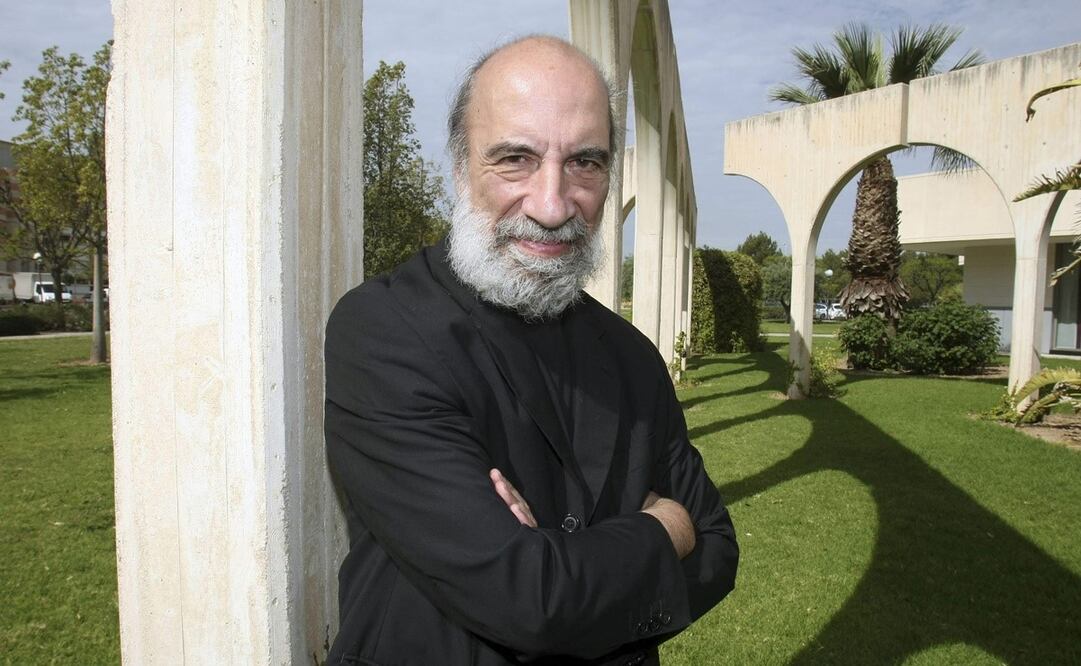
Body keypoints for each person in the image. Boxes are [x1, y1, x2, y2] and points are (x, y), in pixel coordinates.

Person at [324, 35, 738, 666]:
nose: (552, 206)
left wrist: (561, 564)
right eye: (515, 159)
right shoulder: (383, 331)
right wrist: (663, 527)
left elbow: (717, 549)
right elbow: (530, 601)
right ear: (462, 170)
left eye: (585, 163)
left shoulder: (631, 355)